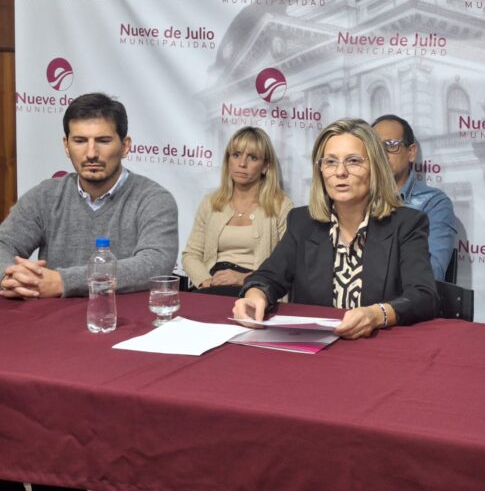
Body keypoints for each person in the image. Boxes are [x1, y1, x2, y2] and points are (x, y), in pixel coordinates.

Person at [0, 93, 179, 490]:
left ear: (125, 145)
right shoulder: (47, 195)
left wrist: (62, 281)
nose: (91, 152)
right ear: (66, 145)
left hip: (127, 351)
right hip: (51, 348)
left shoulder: (154, 199)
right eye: (80, 141)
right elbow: (3, 244)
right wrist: (11, 275)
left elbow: (155, 263)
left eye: (103, 140)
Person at [233, 118, 438, 339]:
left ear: (375, 168)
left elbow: (423, 296)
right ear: (320, 170)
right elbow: (267, 277)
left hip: (378, 347)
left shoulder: (407, 224)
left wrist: (377, 315)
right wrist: (255, 296)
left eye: (353, 161)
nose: (340, 172)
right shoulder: (302, 222)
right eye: (330, 162)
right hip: (314, 347)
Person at [182, 127, 292, 296]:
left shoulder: (281, 205)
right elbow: (191, 254)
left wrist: (244, 278)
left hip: (256, 287)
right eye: (236, 155)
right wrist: (206, 281)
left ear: (265, 166)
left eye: (252, 157)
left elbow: (287, 264)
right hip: (211, 284)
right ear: (228, 160)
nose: (242, 164)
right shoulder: (211, 202)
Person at [372, 114, 457, 281]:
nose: (381, 154)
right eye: (374, 147)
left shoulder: (433, 204)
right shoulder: (356, 199)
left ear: (411, 152)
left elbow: (430, 275)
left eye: (390, 145)